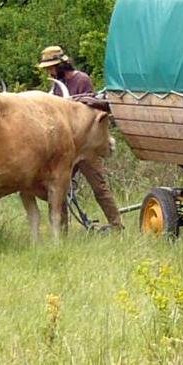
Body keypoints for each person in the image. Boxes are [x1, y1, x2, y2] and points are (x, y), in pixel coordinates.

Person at [36, 45, 123, 230]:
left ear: (61, 65)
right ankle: (61, 231)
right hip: (65, 146)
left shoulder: (81, 79)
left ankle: (117, 226)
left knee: (99, 187)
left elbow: (88, 109)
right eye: (48, 69)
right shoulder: (56, 85)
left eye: (52, 68)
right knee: (59, 187)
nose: (50, 72)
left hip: (85, 145)